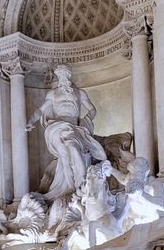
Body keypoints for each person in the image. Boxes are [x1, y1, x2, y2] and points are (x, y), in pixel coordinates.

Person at [26, 64, 107, 201]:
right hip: (57, 127)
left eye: (65, 74)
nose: (62, 77)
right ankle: (70, 186)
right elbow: (40, 111)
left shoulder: (80, 93)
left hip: (73, 128)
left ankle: (81, 184)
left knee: (73, 149)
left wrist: (86, 120)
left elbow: (92, 110)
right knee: (63, 154)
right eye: (60, 74)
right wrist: (30, 122)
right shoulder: (52, 94)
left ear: (69, 75)